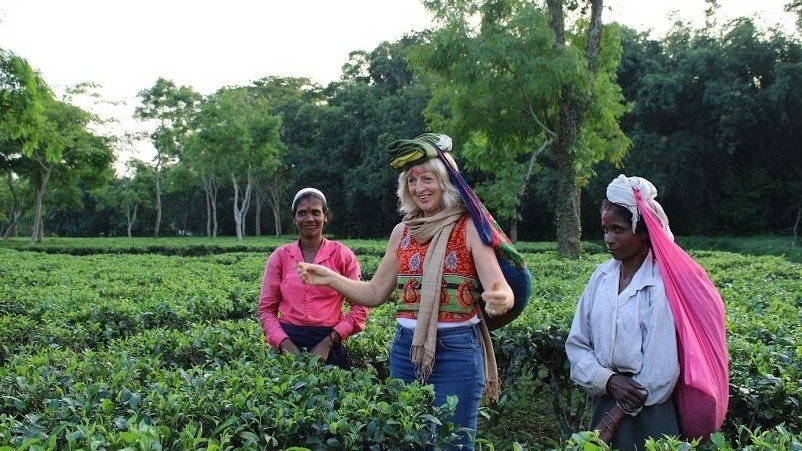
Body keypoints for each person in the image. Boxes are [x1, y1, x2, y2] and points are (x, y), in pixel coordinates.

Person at [296, 133, 514, 449]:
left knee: (452, 442)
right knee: (409, 439)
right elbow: (374, 292)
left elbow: (499, 286)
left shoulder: (468, 227)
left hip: (457, 350)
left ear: (445, 182)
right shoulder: (403, 232)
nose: (420, 188)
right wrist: (330, 278)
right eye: (412, 181)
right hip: (405, 348)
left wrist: (500, 299)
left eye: (428, 179)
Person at [565, 175, 680, 450]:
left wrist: (616, 415)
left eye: (618, 229)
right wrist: (608, 380)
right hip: (604, 399)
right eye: (605, 229)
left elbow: (660, 371)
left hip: (650, 411)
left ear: (643, 232)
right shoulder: (601, 277)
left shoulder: (659, 284)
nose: (608, 239)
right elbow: (577, 344)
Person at [257, 187, 368, 369]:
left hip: (331, 344)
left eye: (316, 212)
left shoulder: (342, 255)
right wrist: (284, 344)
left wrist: (329, 342)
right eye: (302, 213)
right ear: (294, 219)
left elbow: (360, 307)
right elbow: (266, 310)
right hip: (288, 344)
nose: (309, 218)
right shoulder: (280, 257)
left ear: (325, 217)